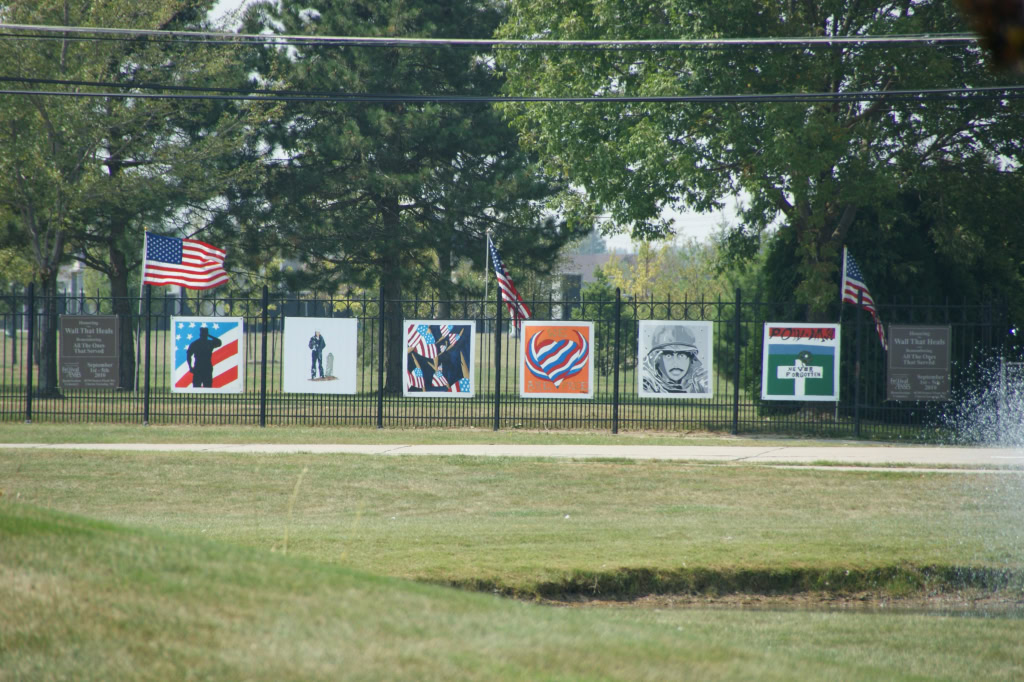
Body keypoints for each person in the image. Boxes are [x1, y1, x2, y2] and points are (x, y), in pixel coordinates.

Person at [642, 325, 709, 394]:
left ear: (691, 359)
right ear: (658, 359)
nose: (675, 363)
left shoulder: (699, 385)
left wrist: (702, 390)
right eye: (668, 355)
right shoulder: (646, 386)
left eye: (682, 355)